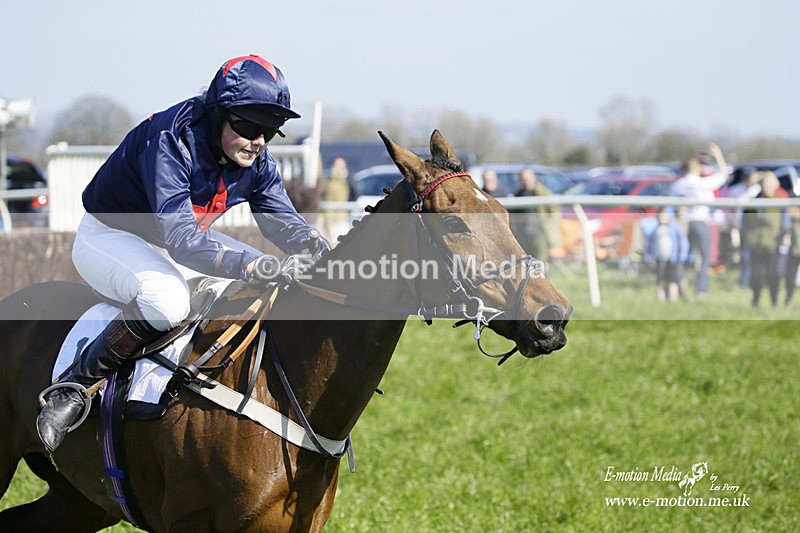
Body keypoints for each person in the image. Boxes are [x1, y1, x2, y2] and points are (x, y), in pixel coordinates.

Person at [36, 54, 329, 452]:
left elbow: (281, 220)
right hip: (110, 237)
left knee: (266, 286)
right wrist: (253, 263)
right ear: (217, 113)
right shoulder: (171, 140)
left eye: (271, 129)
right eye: (248, 125)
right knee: (168, 300)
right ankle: (71, 388)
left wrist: (316, 248)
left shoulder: (256, 159)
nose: (259, 140)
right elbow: (182, 241)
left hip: (177, 240)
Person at [669, 143, 730, 298]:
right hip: (700, 223)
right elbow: (723, 174)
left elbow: (671, 203)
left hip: (683, 224)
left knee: (682, 256)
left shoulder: (678, 185)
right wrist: (718, 155)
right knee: (705, 256)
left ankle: (679, 286)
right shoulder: (700, 182)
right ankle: (700, 289)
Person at [742, 171, 789, 308]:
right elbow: (745, 222)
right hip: (755, 244)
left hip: (773, 245)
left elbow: (785, 223)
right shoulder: (753, 202)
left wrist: (781, 238)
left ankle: (774, 302)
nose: (766, 186)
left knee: (773, 275)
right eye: (763, 184)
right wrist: (747, 238)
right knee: (756, 276)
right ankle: (755, 300)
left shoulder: (779, 202)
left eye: (768, 184)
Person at [644, 207, 689, 302]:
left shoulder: (674, 229)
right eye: (660, 215)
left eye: (664, 215)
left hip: (672, 259)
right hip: (660, 259)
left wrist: (682, 256)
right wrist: (647, 256)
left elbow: (682, 242)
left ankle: (673, 301)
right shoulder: (656, 230)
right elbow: (650, 244)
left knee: (673, 281)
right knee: (661, 282)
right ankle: (661, 302)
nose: (662, 218)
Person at [512, 168, 557, 260]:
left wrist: (549, 224)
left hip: (539, 231)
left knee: (540, 259)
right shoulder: (519, 194)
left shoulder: (542, 192)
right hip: (524, 233)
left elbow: (554, 210)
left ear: (533, 178)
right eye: (524, 179)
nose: (527, 181)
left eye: (528, 178)